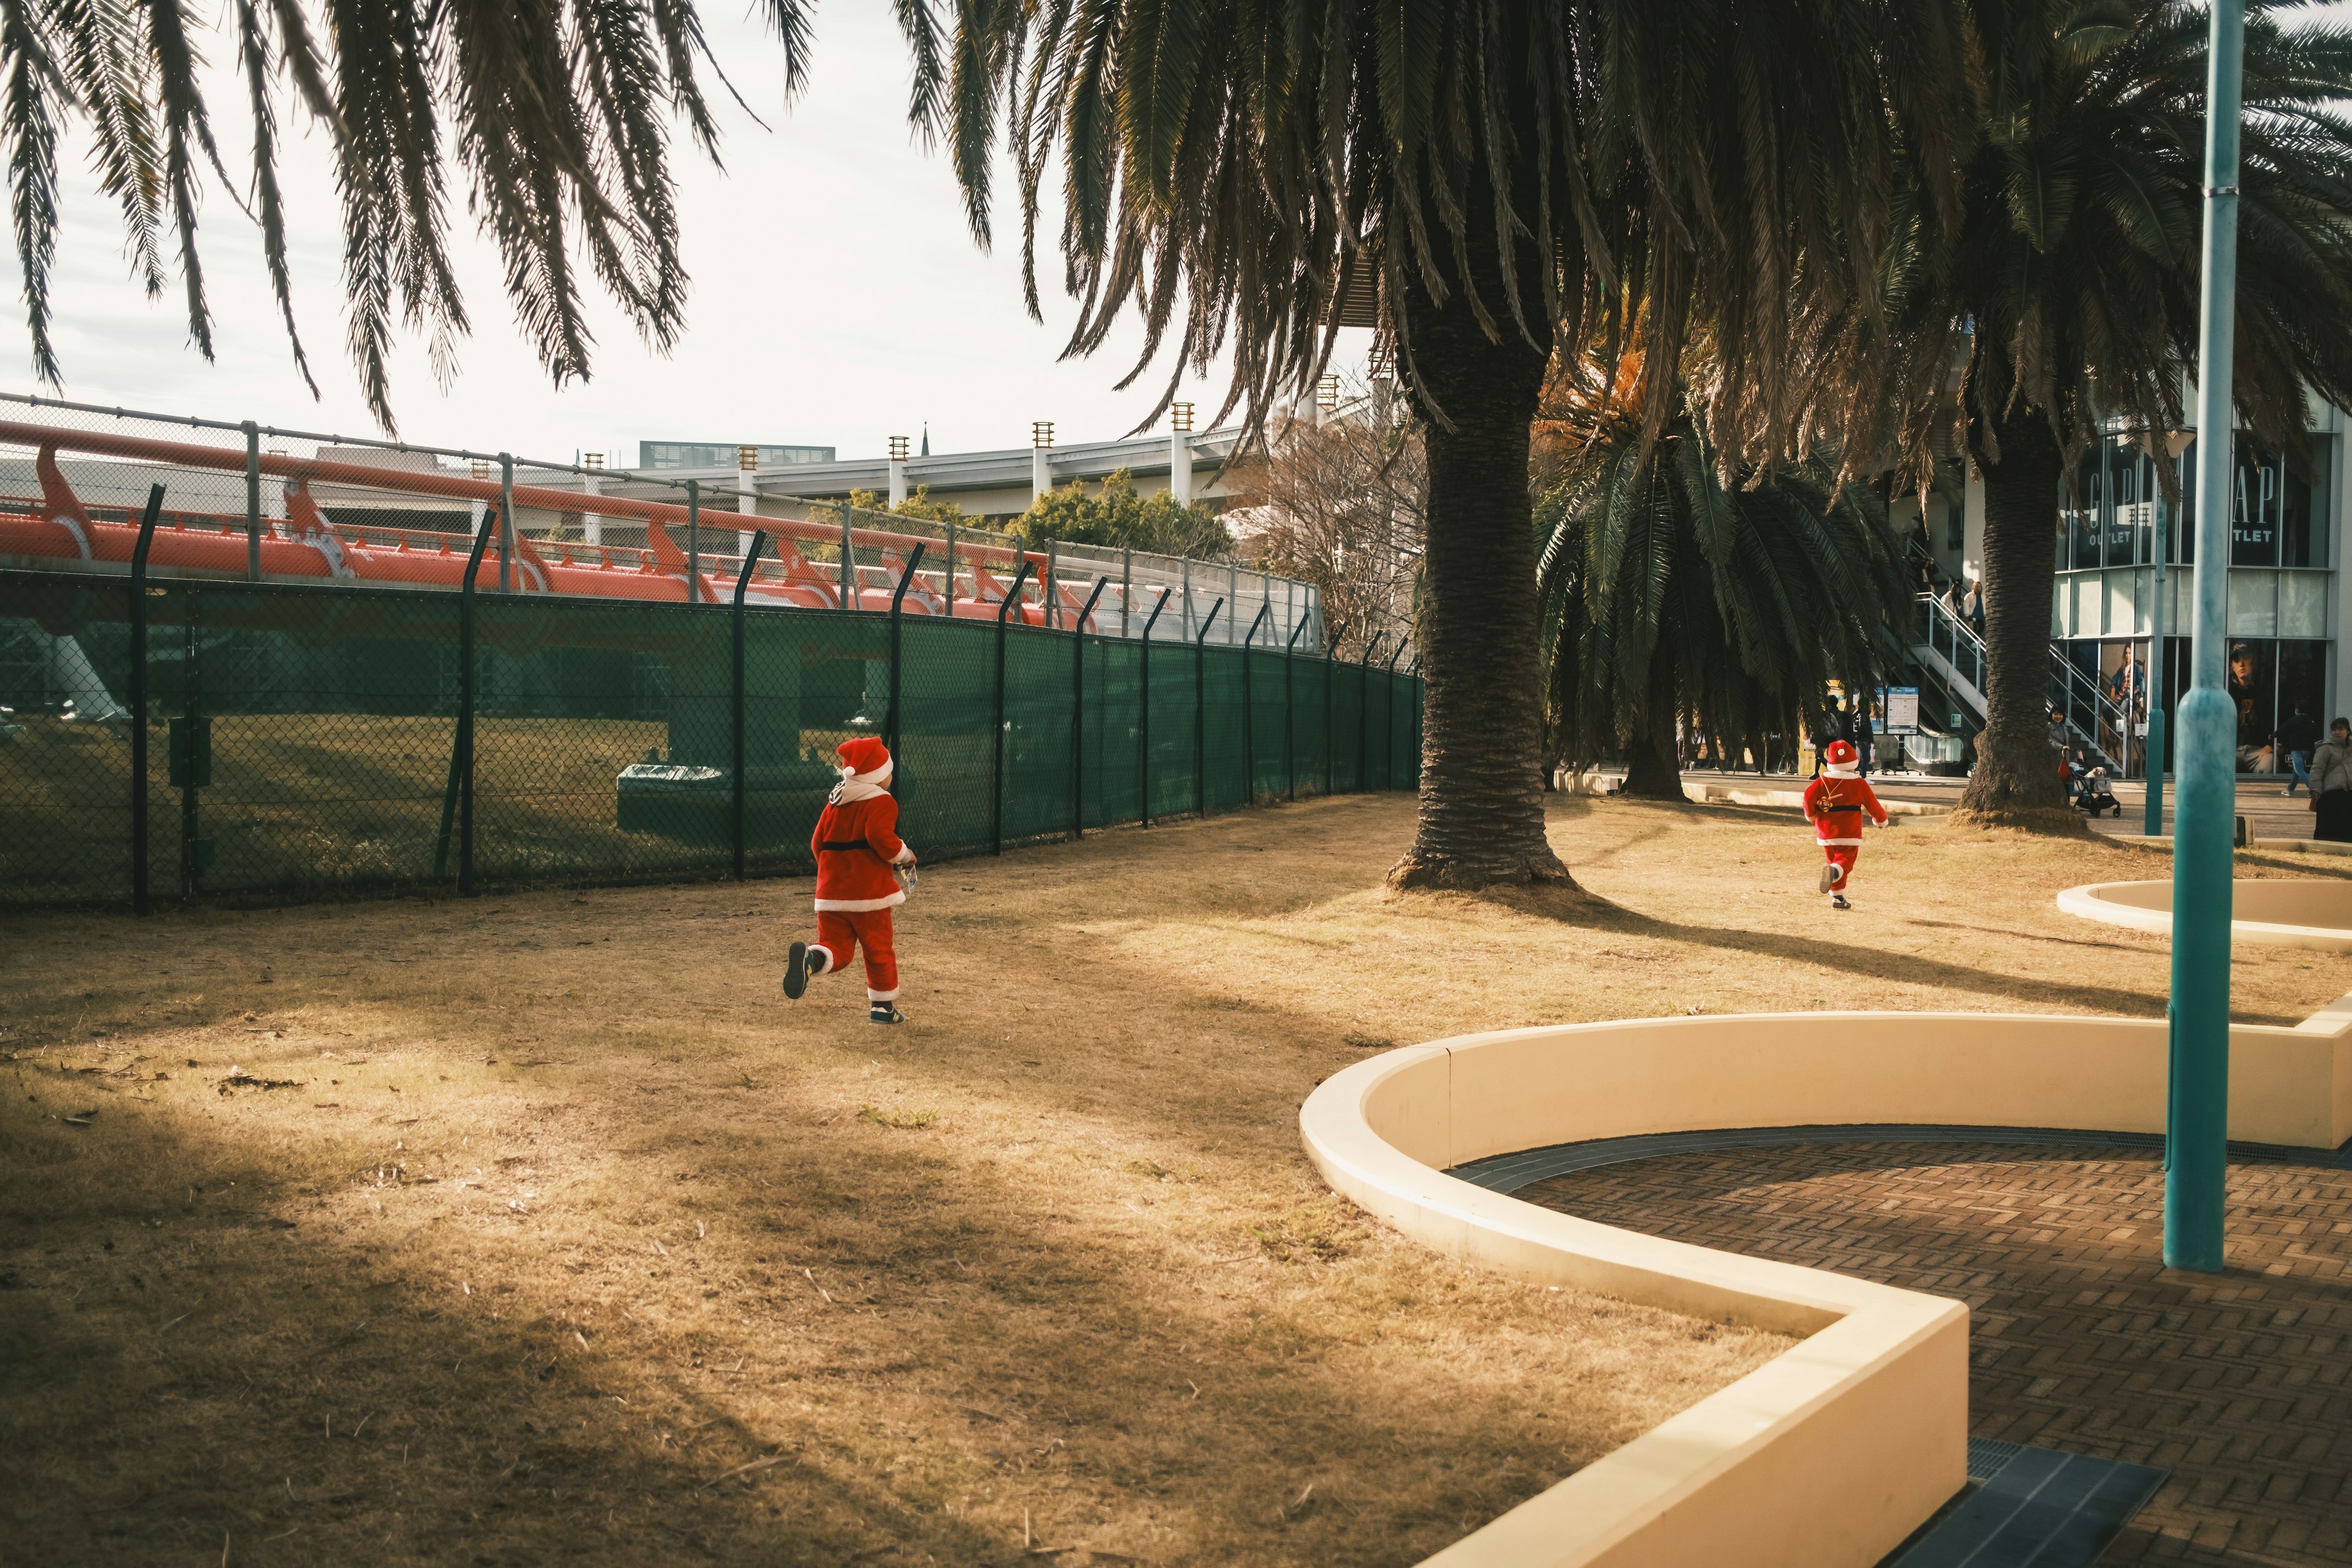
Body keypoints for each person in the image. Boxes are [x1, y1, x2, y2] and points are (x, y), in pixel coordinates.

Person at [782, 736, 919, 1024]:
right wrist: (905, 855)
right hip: (868, 893)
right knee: (878, 948)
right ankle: (883, 1010)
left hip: (831, 893)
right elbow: (882, 840)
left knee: (837, 948)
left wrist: (833, 874)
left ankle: (812, 959)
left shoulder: (834, 803)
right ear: (878, 775)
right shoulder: (882, 802)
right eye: (888, 770)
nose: (891, 776)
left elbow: (816, 843)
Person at [1803, 739, 1890, 909]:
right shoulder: (1859, 783)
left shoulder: (1821, 782)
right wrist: (1881, 821)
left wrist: (1811, 815)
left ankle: (1838, 898)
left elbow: (1808, 797)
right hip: (1849, 831)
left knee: (1835, 861)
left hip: (1826, 831)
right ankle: (1834, 873)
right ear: (1853, 763)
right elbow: (1873, 804)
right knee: (1845, 862)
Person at [2314, 720, 2352, 843]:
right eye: (2334, 729)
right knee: (2329, 823)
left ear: (2348, 731)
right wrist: (2315, 789)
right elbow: (2317, 769)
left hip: (2348, 791)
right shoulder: (2325, 748)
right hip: (2330, 792)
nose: (2337, 732)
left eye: (2341, 729)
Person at [2278, 701, 2321, 797]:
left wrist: (2272, 736)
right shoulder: (2311, 721)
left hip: (2297, 749)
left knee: (2299, 769)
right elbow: (2316, 733)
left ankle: (2313, 788)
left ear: (2297, 711)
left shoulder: (2294, 720)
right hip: (2308, 750)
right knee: (2296, 770)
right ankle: (2290, 789)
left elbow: (2282, 729)